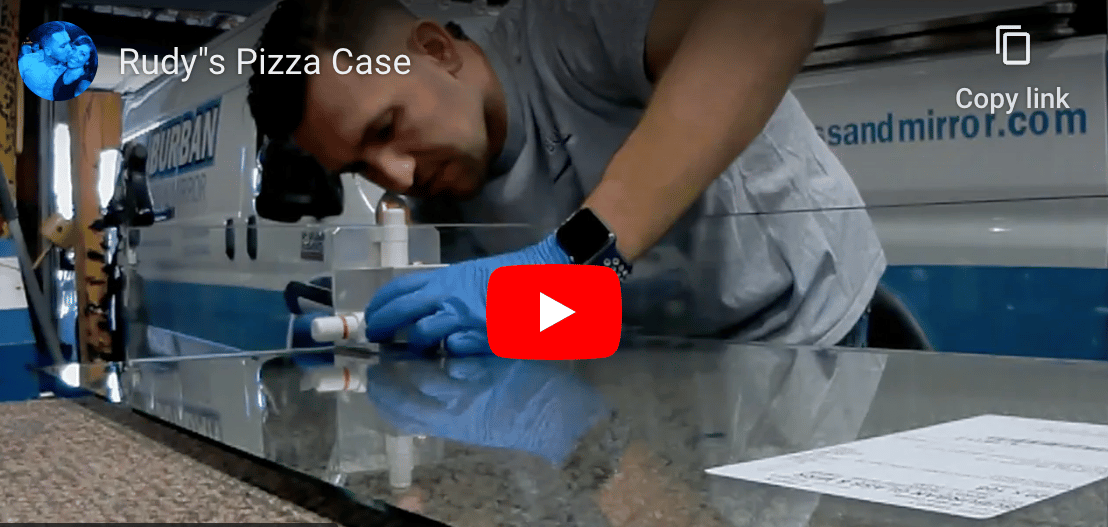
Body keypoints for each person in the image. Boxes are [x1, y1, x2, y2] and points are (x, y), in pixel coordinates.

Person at [248, 0, 886, 356]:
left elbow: (775, 13)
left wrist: (576, 255)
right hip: (656, 360)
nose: (399, 174)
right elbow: (565, 316)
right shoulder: (439, 197)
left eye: (387, 127)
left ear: (437, 49)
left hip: (797, 330)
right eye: (359, 167)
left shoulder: (569, 22)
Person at [18, 23, 71, 100]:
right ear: (48, 51)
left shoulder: (70, 70)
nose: (70, 49)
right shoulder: (27, 60)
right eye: (63, 46)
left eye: (69, 43)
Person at [53, 35, 96, 101]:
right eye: (74, 49)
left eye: (82, 54)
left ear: (88, 61)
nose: (74, 55)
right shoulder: (62, 70)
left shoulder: (83, 84)